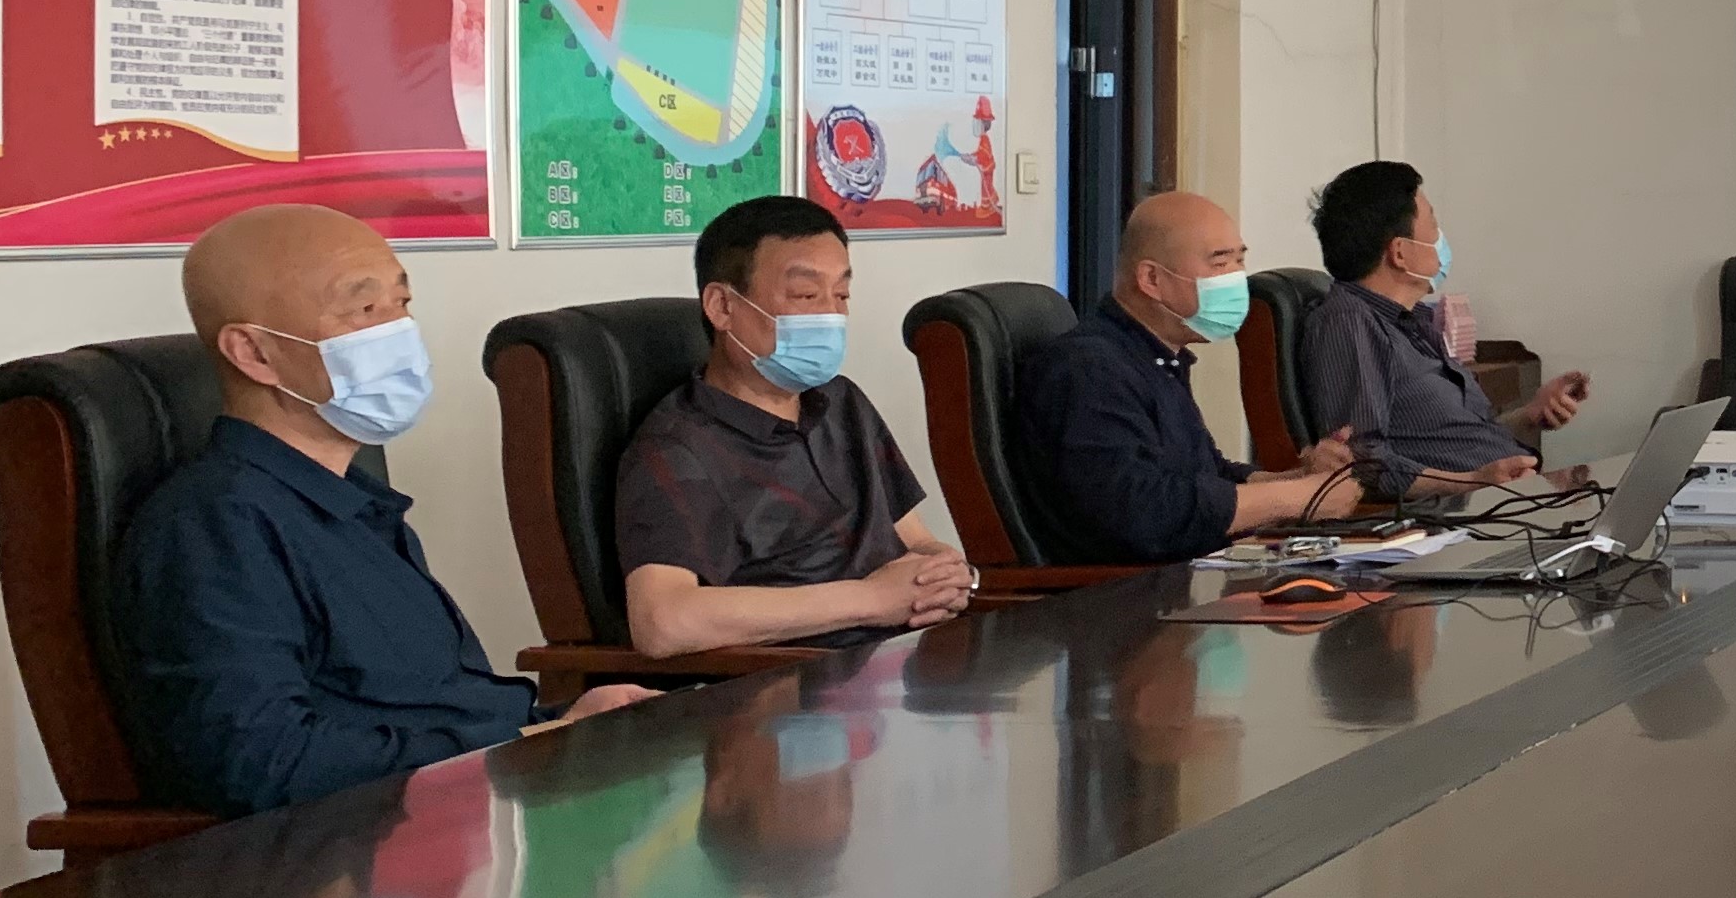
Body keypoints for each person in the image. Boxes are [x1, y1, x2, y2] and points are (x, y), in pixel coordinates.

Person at [110, 202, 653, 815]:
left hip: (477, 802)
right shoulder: (216, 525)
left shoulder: (352, 502)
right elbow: (261, 763)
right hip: (376, 846)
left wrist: (562, 720)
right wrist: (521, 743)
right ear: (255, 353)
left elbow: (430, 706)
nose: (399, 331)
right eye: (364, 310)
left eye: (402, 302)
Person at [614, 195, 974, 654]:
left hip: (911, 652)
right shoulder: (680, 447)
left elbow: (915, 539)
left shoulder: (842, 402)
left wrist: (945, 573)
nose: (831, 315)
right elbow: (663, 622)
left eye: (841, 295)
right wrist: (870, 600)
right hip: (800, 680)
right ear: (722, 306)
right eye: (806, 295)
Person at [1013, 191, 1365, 565]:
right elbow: (1143, 514)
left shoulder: (1157, 356)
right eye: (1220, 263)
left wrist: (1302, 479)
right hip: (1128, 591)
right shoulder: (1088, 369)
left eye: (1240, 261)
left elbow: (1207, 474)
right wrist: (1296, 499)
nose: (1236, 279)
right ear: (1151, 278)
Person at [1295, 160, 1590, 497]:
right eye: (1433, 224)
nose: (1440, 238)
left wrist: (1529, 414)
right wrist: (1473, 480)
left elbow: (1451, 440)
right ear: (1400, 252)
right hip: (1460, 513)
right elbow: (1360, 464)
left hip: (1507, 497)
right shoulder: (1348, 322)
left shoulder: (1415, 323)